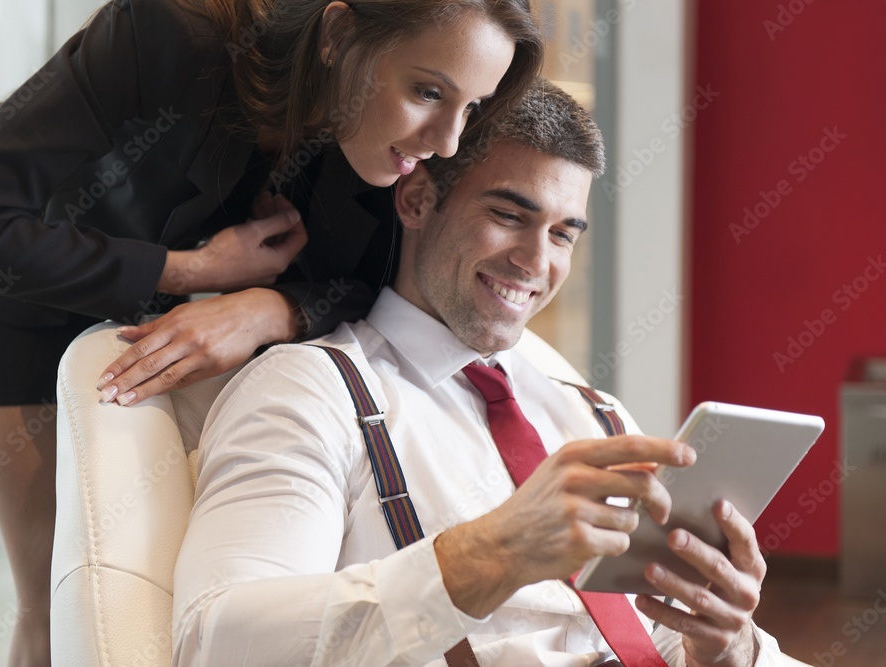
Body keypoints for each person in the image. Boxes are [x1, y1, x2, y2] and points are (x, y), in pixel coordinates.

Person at [0, 1, 542, 663]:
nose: (447, 140)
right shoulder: (171, 32)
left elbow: (369, 278)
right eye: (428, 91)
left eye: (472, 107)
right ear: (339, 33)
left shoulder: (391, 143)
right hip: (6, 293)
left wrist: (272, 308)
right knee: (57, 596)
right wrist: (194, 270)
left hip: (154, 299)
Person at [171, 79, 785, 666]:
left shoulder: (596, 415)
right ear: (416, 200)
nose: (535, 262)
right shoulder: (310, 391)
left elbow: (657, 635)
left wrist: (726, 647)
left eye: (563, 235)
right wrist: (491, 553)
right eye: (510, 216)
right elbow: (216, 643)